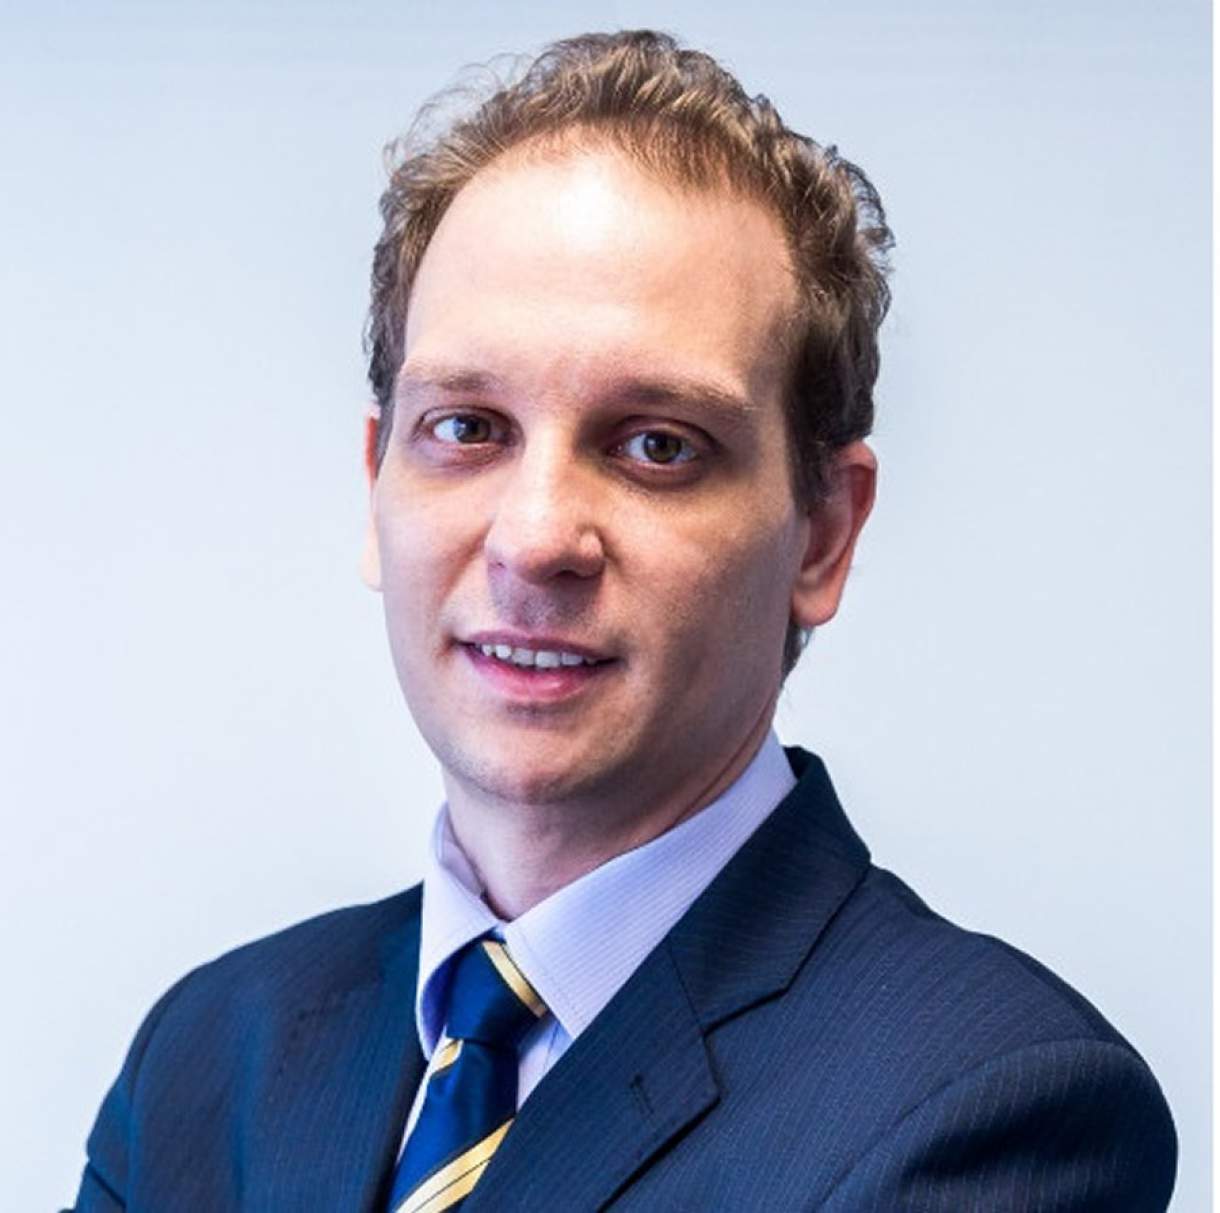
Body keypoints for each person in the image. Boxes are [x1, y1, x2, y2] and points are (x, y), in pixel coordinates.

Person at [71, 29, 1176, 1212]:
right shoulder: (207, 1057)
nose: (535, 536)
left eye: (656, 444)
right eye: (467, 428)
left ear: (821, 534)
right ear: (375, 482)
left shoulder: (989, 1107)